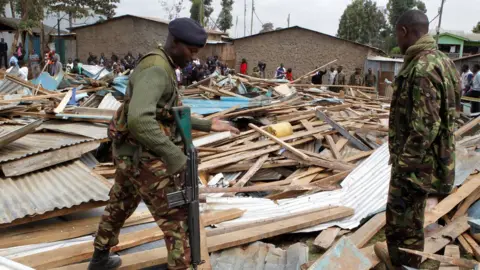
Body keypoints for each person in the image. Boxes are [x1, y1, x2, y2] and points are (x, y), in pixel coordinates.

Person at [87, 18, 239, 270]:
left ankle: (100, 259)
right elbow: (140, 120)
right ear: (175, 43)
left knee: (119, 206)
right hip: (147, 159)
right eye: (190, 52)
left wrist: (207, 124)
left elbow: (166, 110)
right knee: (177, 220)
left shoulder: (162, 63)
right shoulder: (157, 69)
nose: (192, 58)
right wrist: (174, 155)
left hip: (131, 154)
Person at [374, 10, 460, 270]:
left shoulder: (421, 68)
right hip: (433, 160)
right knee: (411, 221)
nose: (396, 41)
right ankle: (403, 262)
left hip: (416, 166)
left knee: (404, 225)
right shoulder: (443, 62)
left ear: (404, 31)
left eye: (396, 34)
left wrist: (404, 165)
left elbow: (425, 126)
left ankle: (405, 266)